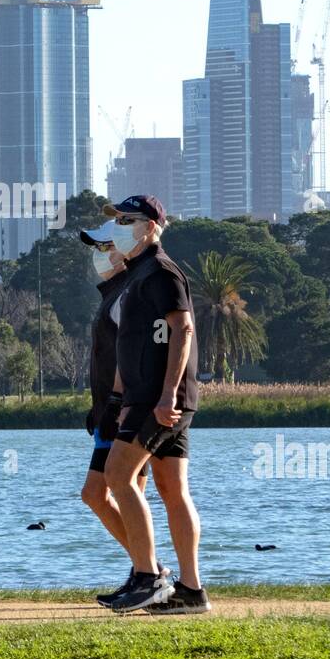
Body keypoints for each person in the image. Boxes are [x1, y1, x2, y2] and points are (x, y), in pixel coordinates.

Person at [102, 194, 210, 615]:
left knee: (117, 475)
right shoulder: (139, 273)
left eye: (128, 220)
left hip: (161, 398)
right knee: (171, 489)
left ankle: (148, 577)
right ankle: (191, 590)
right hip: (148, 396)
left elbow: (183, 329)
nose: (120, 226)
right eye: (119, 219)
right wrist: (119, 398)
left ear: (151, 226)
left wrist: (166, 395)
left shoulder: (161, 271)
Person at [78, 220, 167, 607]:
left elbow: (129, 357)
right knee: (110, 492)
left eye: (104, 247)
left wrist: (115, 404)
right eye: (96, 248)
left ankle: (150, 573)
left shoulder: (128, 292)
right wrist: (98, 406)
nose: (99, 255)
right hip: (112, 410)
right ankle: (144, 573)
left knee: (98, 492)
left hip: (127, 408)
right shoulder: (114, 293)